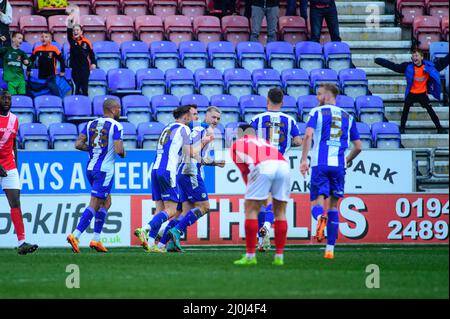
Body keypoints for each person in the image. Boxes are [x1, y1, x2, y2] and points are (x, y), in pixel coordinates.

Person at [134, 105, 213, 253]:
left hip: (155, 169)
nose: (193, 118)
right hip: (168, 170)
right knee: (170, 210)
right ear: (185, 116)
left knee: (160, 209)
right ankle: (145, 229)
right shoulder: (184, 129)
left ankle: (151, 244)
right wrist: (204, 142)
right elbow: (189, 152)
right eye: (192, 115)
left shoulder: (167, 127)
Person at [300, 84, 362, 259]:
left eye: (319, 94)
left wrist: (304, 159)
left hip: (320, 164)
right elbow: (358, 146)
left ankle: (320, 219)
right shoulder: (348, 117)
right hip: (339, 166)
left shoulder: (317, 112)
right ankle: (329, 250)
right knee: (334, 207)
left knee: (317, 205)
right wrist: (346, 160)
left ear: (327, 95)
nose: (317, 97)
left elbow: (307, 135)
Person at [163, 106, 225, 253]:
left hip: (182, 172)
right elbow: (193, 154)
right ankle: (177, 231)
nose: (215, 121)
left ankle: (162, 245)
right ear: (206, 117)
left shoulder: (195, 129)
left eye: (218, 118)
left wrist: (213, 162)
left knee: (184, 212)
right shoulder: (203, 130)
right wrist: (211, 161)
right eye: (213, 117)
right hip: (190, 172)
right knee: (204, 207)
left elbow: (196, 154)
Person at [66, 99, 125, 253]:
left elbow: (78, 144)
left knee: (106, 202)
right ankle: (76, 235)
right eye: (118, 108)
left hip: (90, 167)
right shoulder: (116, 126)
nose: (120, 111)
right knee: (95, 203)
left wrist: (94, 149)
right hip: (104, 170)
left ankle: (96, 239)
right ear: (112, 110)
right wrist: (122, 153)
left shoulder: (90, 124)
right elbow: (119, 150)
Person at [249, 87, 302, 252]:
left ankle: (260, 238)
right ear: (282, 102)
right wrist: (287, 144)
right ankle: (266, 226)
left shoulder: (257, 119)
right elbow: (299, 141)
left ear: (267, 100)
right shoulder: (289, 120)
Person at [231, 124, 290, 266]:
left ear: (239, 134)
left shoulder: (236, 145)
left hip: (262, 166)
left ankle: (250, 256)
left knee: (251, 209)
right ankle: (279, 257)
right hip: (283, 166)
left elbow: (246, 172)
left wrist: (254, 196)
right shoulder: (263, 141)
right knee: (280, 211)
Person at [375, 48, 449, 134]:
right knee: (405, 111)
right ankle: (402, 129)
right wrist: (380, 61)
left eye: (416, 55)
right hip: (411, 94)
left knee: (430, 110)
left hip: (422, 94)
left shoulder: (429, 66)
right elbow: (394, 66)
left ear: (422, 57)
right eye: (413, 56)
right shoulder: (407, 66)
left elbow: (442, 63)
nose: (414, 57)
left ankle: (439, 128)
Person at [0, 90, 38, 255]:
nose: (7, 100)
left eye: (9, 98)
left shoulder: (14, 120)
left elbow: (13, 143)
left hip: (9, 166)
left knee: (15, 203)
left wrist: (15, 164)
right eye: (3, 98)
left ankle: (22, 242)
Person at [26, 32, 66, 97]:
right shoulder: (37, 49)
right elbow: (30, 60)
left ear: (50, 39)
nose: (43, 38)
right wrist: (28, 70)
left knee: (54, 90)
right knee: (42, 91)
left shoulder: (54, 49)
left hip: (51, 75)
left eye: (46, 37)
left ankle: (59, 101)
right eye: (42, 37)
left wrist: (62, 71)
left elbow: (62, 60)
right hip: (41, 75)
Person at [67, 17, 96, 96]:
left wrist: (93, 63)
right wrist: (70, 22)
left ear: (81, 32)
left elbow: (91, 54)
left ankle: (85, 105)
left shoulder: (86, 42)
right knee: (75, 88)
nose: (75, 32)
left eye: (77, 30)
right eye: (74, 30)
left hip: (84, 68)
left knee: (84, 88)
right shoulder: (71, 41)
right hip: (75, 68)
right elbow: (68, 32)